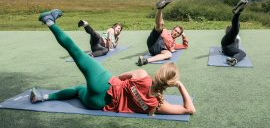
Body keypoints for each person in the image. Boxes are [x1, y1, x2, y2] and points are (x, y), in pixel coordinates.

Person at [31, 9, 195, 116]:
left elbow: (121, 77)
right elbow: (189, 109)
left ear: (159, 73)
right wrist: (179, 85)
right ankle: (41, 97)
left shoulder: (142, 75)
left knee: (74, 51)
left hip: (105, 83)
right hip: (96, 103)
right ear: (169, 85)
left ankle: (48, 20)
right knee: (78, 90)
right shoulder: (157, 105)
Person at [137, 0, 188, 66]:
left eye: (178, 33)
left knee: (169, 54)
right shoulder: (166, 32)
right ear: (172, 30)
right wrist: (170, 48)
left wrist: (184, 36)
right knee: (161, 24)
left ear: (179, 35)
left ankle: (145, 60)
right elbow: (163, 35)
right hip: (155, 39)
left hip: (155, 49)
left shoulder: (174, 44)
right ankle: (160, 8)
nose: (175, 33)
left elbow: (185, 46)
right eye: (175, 30)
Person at [221, 0, 248, 66]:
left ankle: (234, 60)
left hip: (226, 48)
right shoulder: (234, 36)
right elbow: (236, 34)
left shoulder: (231, 37)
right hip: (229, 47)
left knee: (243, 53)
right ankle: (237, 13)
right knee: (236, 27)